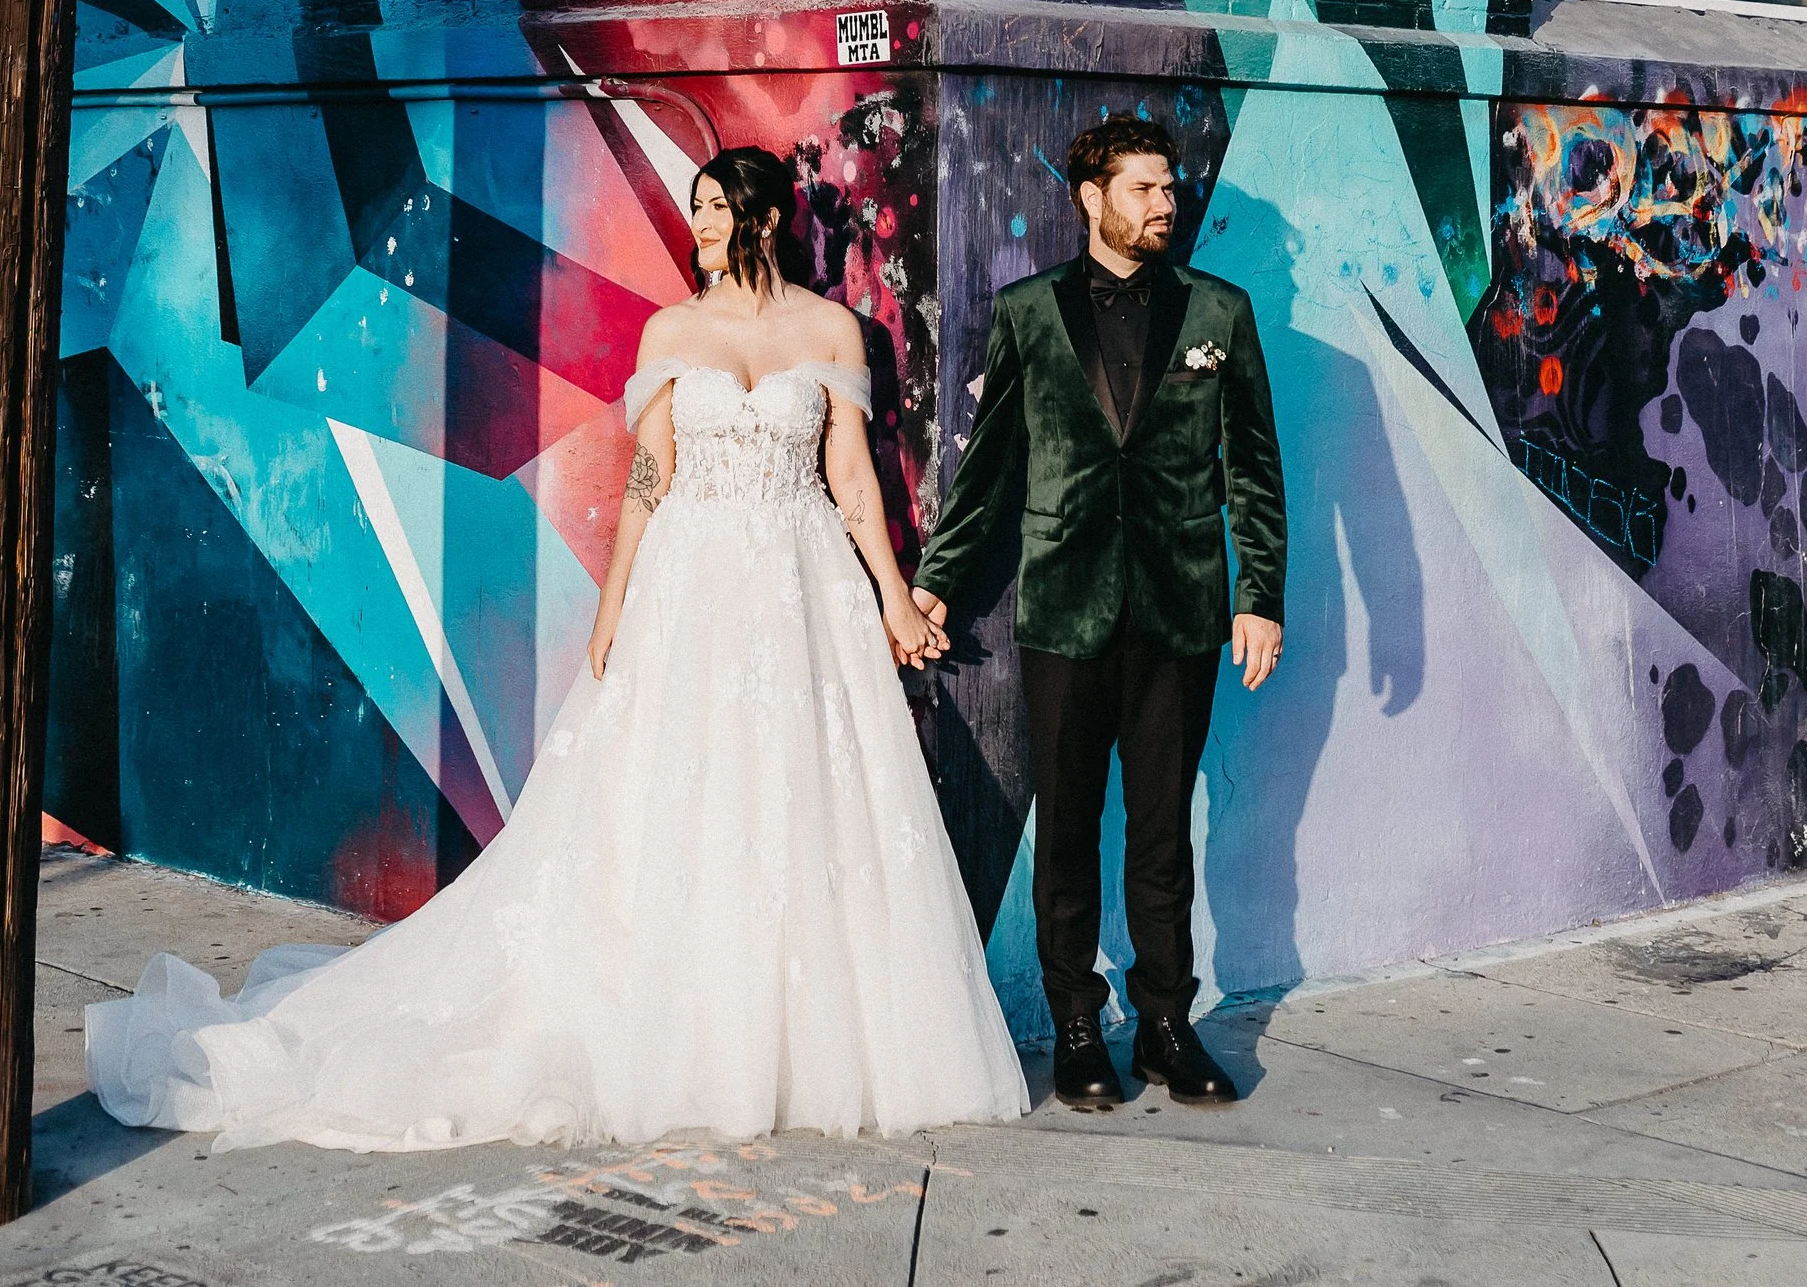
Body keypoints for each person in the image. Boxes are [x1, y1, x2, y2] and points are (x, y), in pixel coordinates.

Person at [86, 147, 1027, 1149]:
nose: (699, 225)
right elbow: (649, 475)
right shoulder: (673, 329)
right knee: (681, 787)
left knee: (807, 789)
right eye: (698, 208)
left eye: (714, 210)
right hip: (693, 579)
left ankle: (800, 1042)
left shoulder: (829, 327)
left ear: (759, 217)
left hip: (800, 578)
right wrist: (615, 604)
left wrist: (889, 593)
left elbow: (848, 466)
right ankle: (691, 1029)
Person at [910, 112, 1286, 1115]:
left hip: (1180, 610)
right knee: (1068, 829)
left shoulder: (1220, 312)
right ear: (1091, 199)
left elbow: (1251, 468)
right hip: (1064, 608)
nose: (1165, 204)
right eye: (1144, 189)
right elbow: (988, 463)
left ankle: (1166, 1023)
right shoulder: (1029, 311)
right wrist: (936, 578)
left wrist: (1260, 598)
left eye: (1170, 189)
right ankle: (1079, 1025)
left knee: (1164, 832)